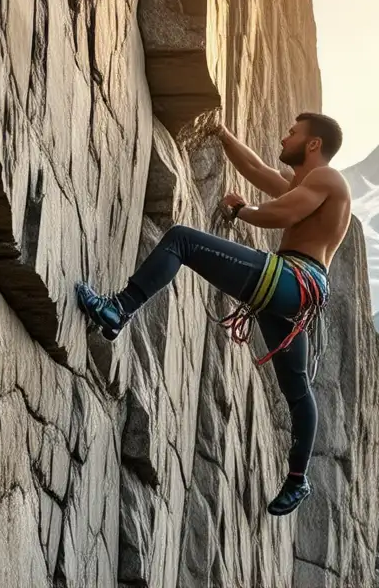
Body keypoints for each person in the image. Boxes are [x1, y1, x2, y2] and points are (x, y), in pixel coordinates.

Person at [74, 112, 352, 516]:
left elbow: (282, 215)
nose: (284, 137)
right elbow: (258, 169)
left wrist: (241, 210)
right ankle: (298, 480)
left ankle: (118, 309)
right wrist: (222, 133)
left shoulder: (327, 178)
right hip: (299, 293)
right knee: (296, 389)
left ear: (313, 144)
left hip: (293, 279)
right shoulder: (310, 183)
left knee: (182, 241)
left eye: (293, 133)